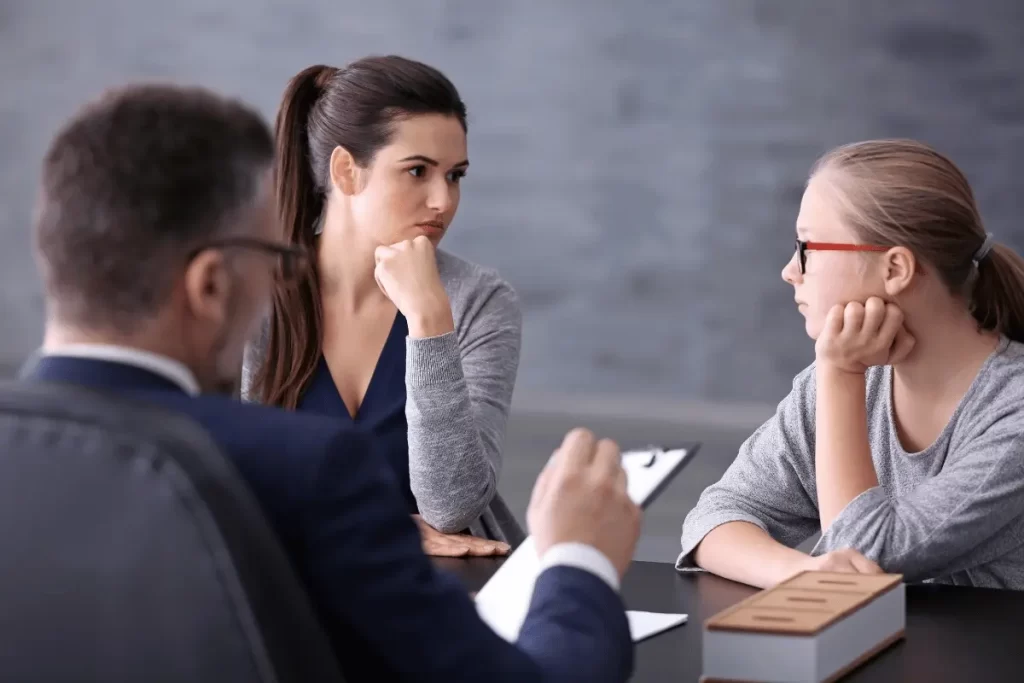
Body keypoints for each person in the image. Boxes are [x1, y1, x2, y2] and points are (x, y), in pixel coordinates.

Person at [23, 83, 641, 682]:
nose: (443, 200)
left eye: (456, 176)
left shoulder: (109, 470)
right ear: (210, 286)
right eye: (262, 258)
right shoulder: (305, 466)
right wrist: (577, 556)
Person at [679, 138, 1024, 590]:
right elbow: (714, 517)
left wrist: (841, 376)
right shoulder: (834, 384)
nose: (790, 270)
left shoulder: (1012, 411)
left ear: (895, 269)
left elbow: (864, 557)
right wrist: (805, 572)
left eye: (807, 247)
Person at [241, 56, 524, 552]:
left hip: (446, 591)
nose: (443, 200)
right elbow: (224, 494)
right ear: (347, 171)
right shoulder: (249, 296)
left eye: (455, 175)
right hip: (285, 591)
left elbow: (453, 505)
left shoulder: (480, 301)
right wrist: (375, 527)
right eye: (417, 171)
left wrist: (430, 321)